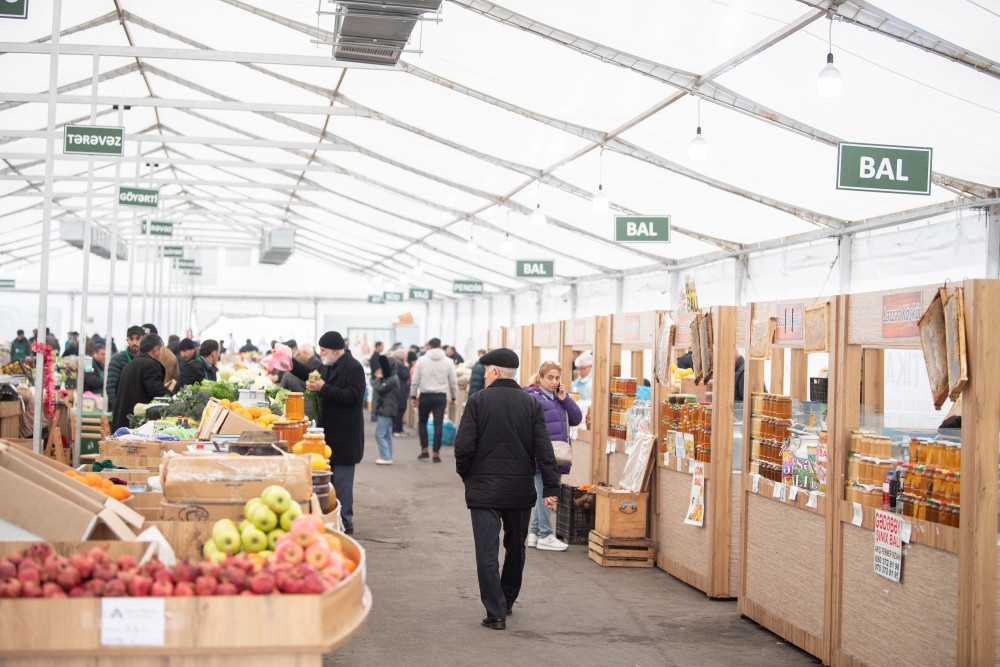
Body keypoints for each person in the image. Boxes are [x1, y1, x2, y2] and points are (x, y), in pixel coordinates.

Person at [454, 348, 560, 630]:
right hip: (519, 490)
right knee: (516, 548)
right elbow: (544, 449)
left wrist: (467, 475)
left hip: (484, 491)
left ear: (495, 371)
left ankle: (495, 612)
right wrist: (551, 487)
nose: (484, 376)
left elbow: (463, 446)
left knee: (486, 552)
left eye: (486, 371)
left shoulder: (477, 401)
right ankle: (508, 599)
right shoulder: (531, 404)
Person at [291, 331, 365, 535]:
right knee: (327, 483)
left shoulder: (354, 367)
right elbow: (310, 374)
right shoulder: (326, 366)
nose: (320, 353)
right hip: (328, 435)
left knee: (342, 483)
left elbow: (353, 396)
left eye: (323, 350)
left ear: (335, 350)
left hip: (346, 436)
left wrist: (323, 388)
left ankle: (345, 522)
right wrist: (290, 363)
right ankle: (329, 520)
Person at [523, 361, 582, 551]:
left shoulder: (559, 398)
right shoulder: (533, 398)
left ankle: (535, 533)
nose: (554, 381)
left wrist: (565, 399)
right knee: (546, 494)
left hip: (558, 454)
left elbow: (576, 419)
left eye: (557, 378)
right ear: (540, 378)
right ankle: (545, 534)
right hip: (541, 454)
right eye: (550, 377)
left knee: (545, 493)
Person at [409, 338, 458, 462]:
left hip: (425, 396)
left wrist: (413, 396)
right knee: (438, 424)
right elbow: (453, 382)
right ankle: (436, 453)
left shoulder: (421, 360)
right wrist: (453, 398)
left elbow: (415, 380)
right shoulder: (448, 361)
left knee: (422, 423)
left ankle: (424, 449)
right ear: (441, 346)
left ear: (429, 346)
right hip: (440, 396)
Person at [110, 333, 173, 431]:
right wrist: (173, 397)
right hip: (134, 427)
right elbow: (155, 390)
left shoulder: (129, 365)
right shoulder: (150, 365)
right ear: (156, 350)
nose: (161, 354)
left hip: (121, 425)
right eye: (161, 350)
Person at [106, 325, 144, 411]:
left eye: (138, 339)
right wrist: (117, 407)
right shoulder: (117, 359)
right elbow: (111, 386)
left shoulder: (147, 360)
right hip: (123, 407)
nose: (134, 342)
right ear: (127, 340)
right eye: (131, 339)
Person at [372, 355, 399, 465]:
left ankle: (385, 456)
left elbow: (379, 389)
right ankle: (388, 456)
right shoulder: (393, 378)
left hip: (386, 409)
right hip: (389, 409)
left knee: (379, 433)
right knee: (387, 434)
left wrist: (378, 378)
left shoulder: (392, 379)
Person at [390, 348, 410, 436]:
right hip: (400, 390)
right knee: (400, 409)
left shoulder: (393, 364)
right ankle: (397, 429)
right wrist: (406, 367)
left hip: (396, 390)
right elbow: (406, 376)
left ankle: (398, 428)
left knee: (398, 410)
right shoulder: (400, 366)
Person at [369, 341, 384, 422]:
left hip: (376, 379)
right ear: (378, 346)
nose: (383, 348)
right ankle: (374, 416)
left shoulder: (377, 356)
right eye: (382, 346)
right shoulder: (375, 357)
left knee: (376, 398)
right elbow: (376, 369)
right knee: (376, 398)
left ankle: (374, 415)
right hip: (376, 379)